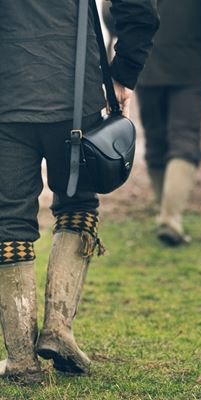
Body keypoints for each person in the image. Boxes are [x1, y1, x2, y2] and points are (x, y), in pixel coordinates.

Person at [0, 0, 158, 383]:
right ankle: (58, 328)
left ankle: (21, 359)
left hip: (8, 95)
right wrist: (124, 74)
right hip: (77, 96)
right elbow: (139, 9)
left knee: (9, 220)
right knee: (77, 206)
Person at [136, 0, 201, 246]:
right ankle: (170, 218)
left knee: (155, 140)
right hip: (191, 63)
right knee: (185, 138)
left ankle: (164, 211)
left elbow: (111, 12)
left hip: (145, 60)